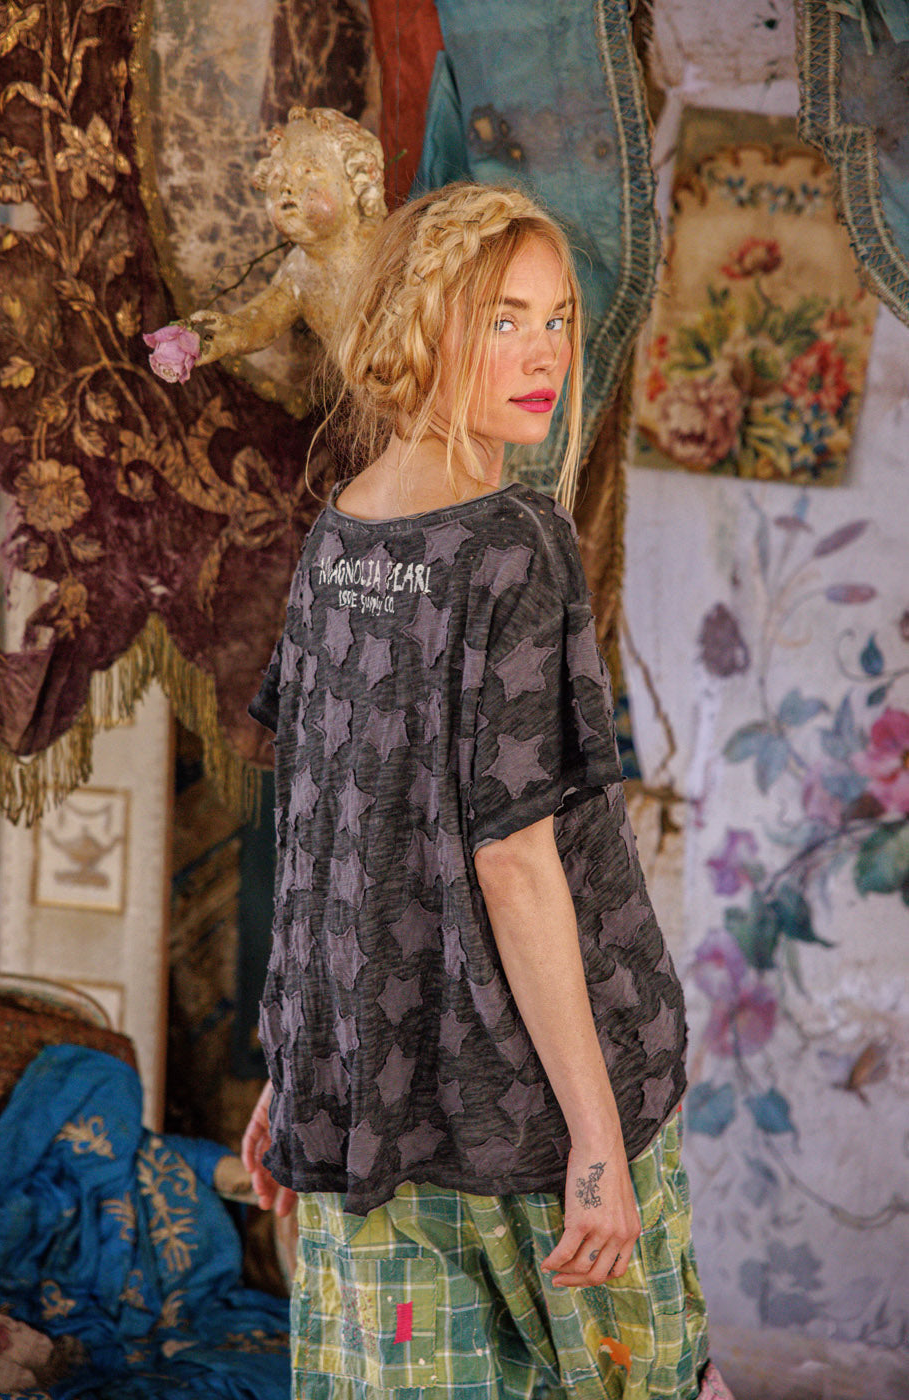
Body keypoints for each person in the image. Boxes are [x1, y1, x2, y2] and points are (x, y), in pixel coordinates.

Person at [242, 182, 732, 1400]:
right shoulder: (513, 542)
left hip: (376, 1101)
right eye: (503, 318)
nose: (545, 354)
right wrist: (598, 1140)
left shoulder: (335, 538)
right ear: (419, 325)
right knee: (640, 1381)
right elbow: (511, 858)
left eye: (557, 319)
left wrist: (299, 1066)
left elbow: (320, 836)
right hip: (529, 1096)